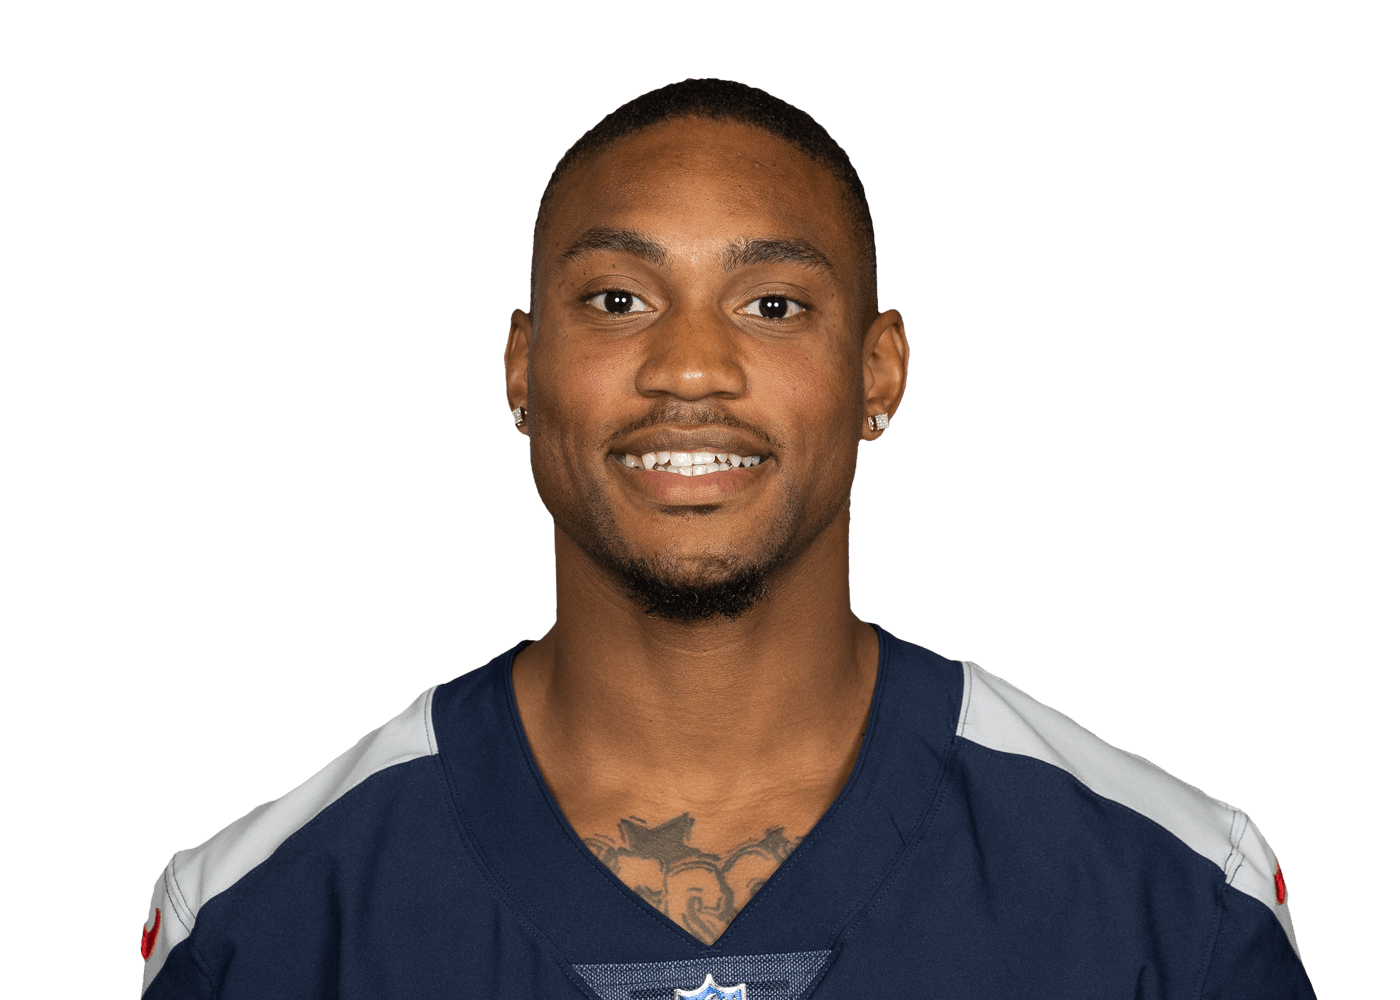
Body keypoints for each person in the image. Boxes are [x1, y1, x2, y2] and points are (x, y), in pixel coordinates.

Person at [138, 79, 1315, 999]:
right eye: (617, 300)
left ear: (876, 370)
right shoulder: (256, 922)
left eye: (771, 305)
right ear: (521, 366)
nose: (690, 368)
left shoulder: (1173, 896)